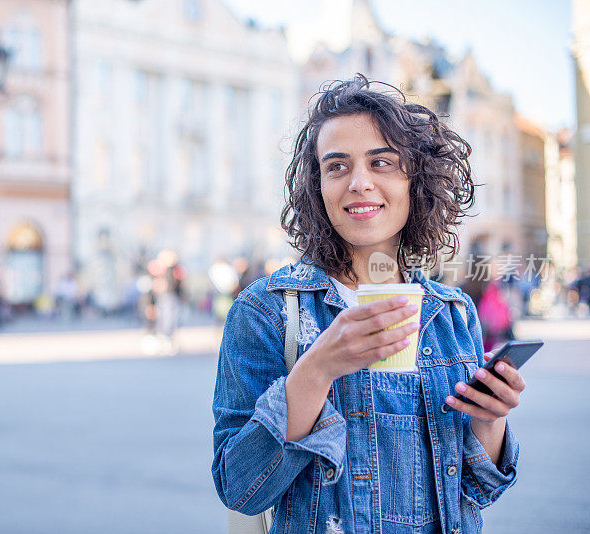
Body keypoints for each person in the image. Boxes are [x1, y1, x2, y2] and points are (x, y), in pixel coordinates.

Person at [212, 76, 525, 534]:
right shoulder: (265, 311)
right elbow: (239, 488)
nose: (360, 183)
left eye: (381, 162)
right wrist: (316, 371)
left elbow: (478, 492)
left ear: (416, 179)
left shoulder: (452, 312)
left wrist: (491, 420)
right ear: (316, 186)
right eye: (337, 166)